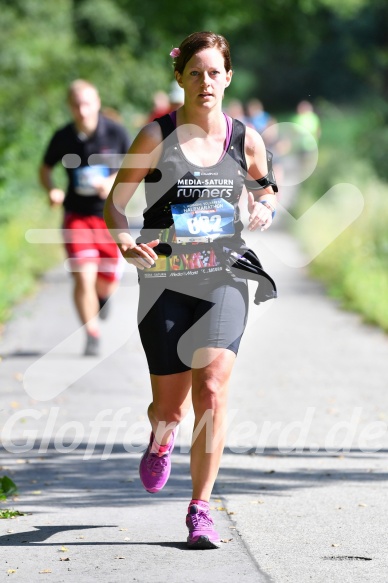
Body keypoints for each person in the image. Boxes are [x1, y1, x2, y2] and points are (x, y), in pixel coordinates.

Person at [104, 32, 277, 549]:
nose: (206, 82)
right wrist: (122, 241)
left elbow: (263, 185)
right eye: (195, 72)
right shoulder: (155, 135)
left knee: (213, 388)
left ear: (228, 78)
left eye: (214, 73)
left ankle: (200, 508)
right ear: (179, 77)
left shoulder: (244, 138)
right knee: (171, 407)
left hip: (223, 274)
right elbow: (116, 205)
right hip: (164, 281)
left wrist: (263, 205)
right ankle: (161, 440)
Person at [39, 79, 132, 356]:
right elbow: (44, 169)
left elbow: (135, 166)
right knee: (83, 277)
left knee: (105, 281)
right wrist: (52, 189)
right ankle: (91, 333)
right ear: (70, 106)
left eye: (87, 103)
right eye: (76, 105)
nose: (82, 110)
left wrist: (113, 181)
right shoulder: (63, 136)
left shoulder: (115, 132)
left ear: (97, 103)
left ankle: (103, 297)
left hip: (108, 216)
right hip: (76, 216)